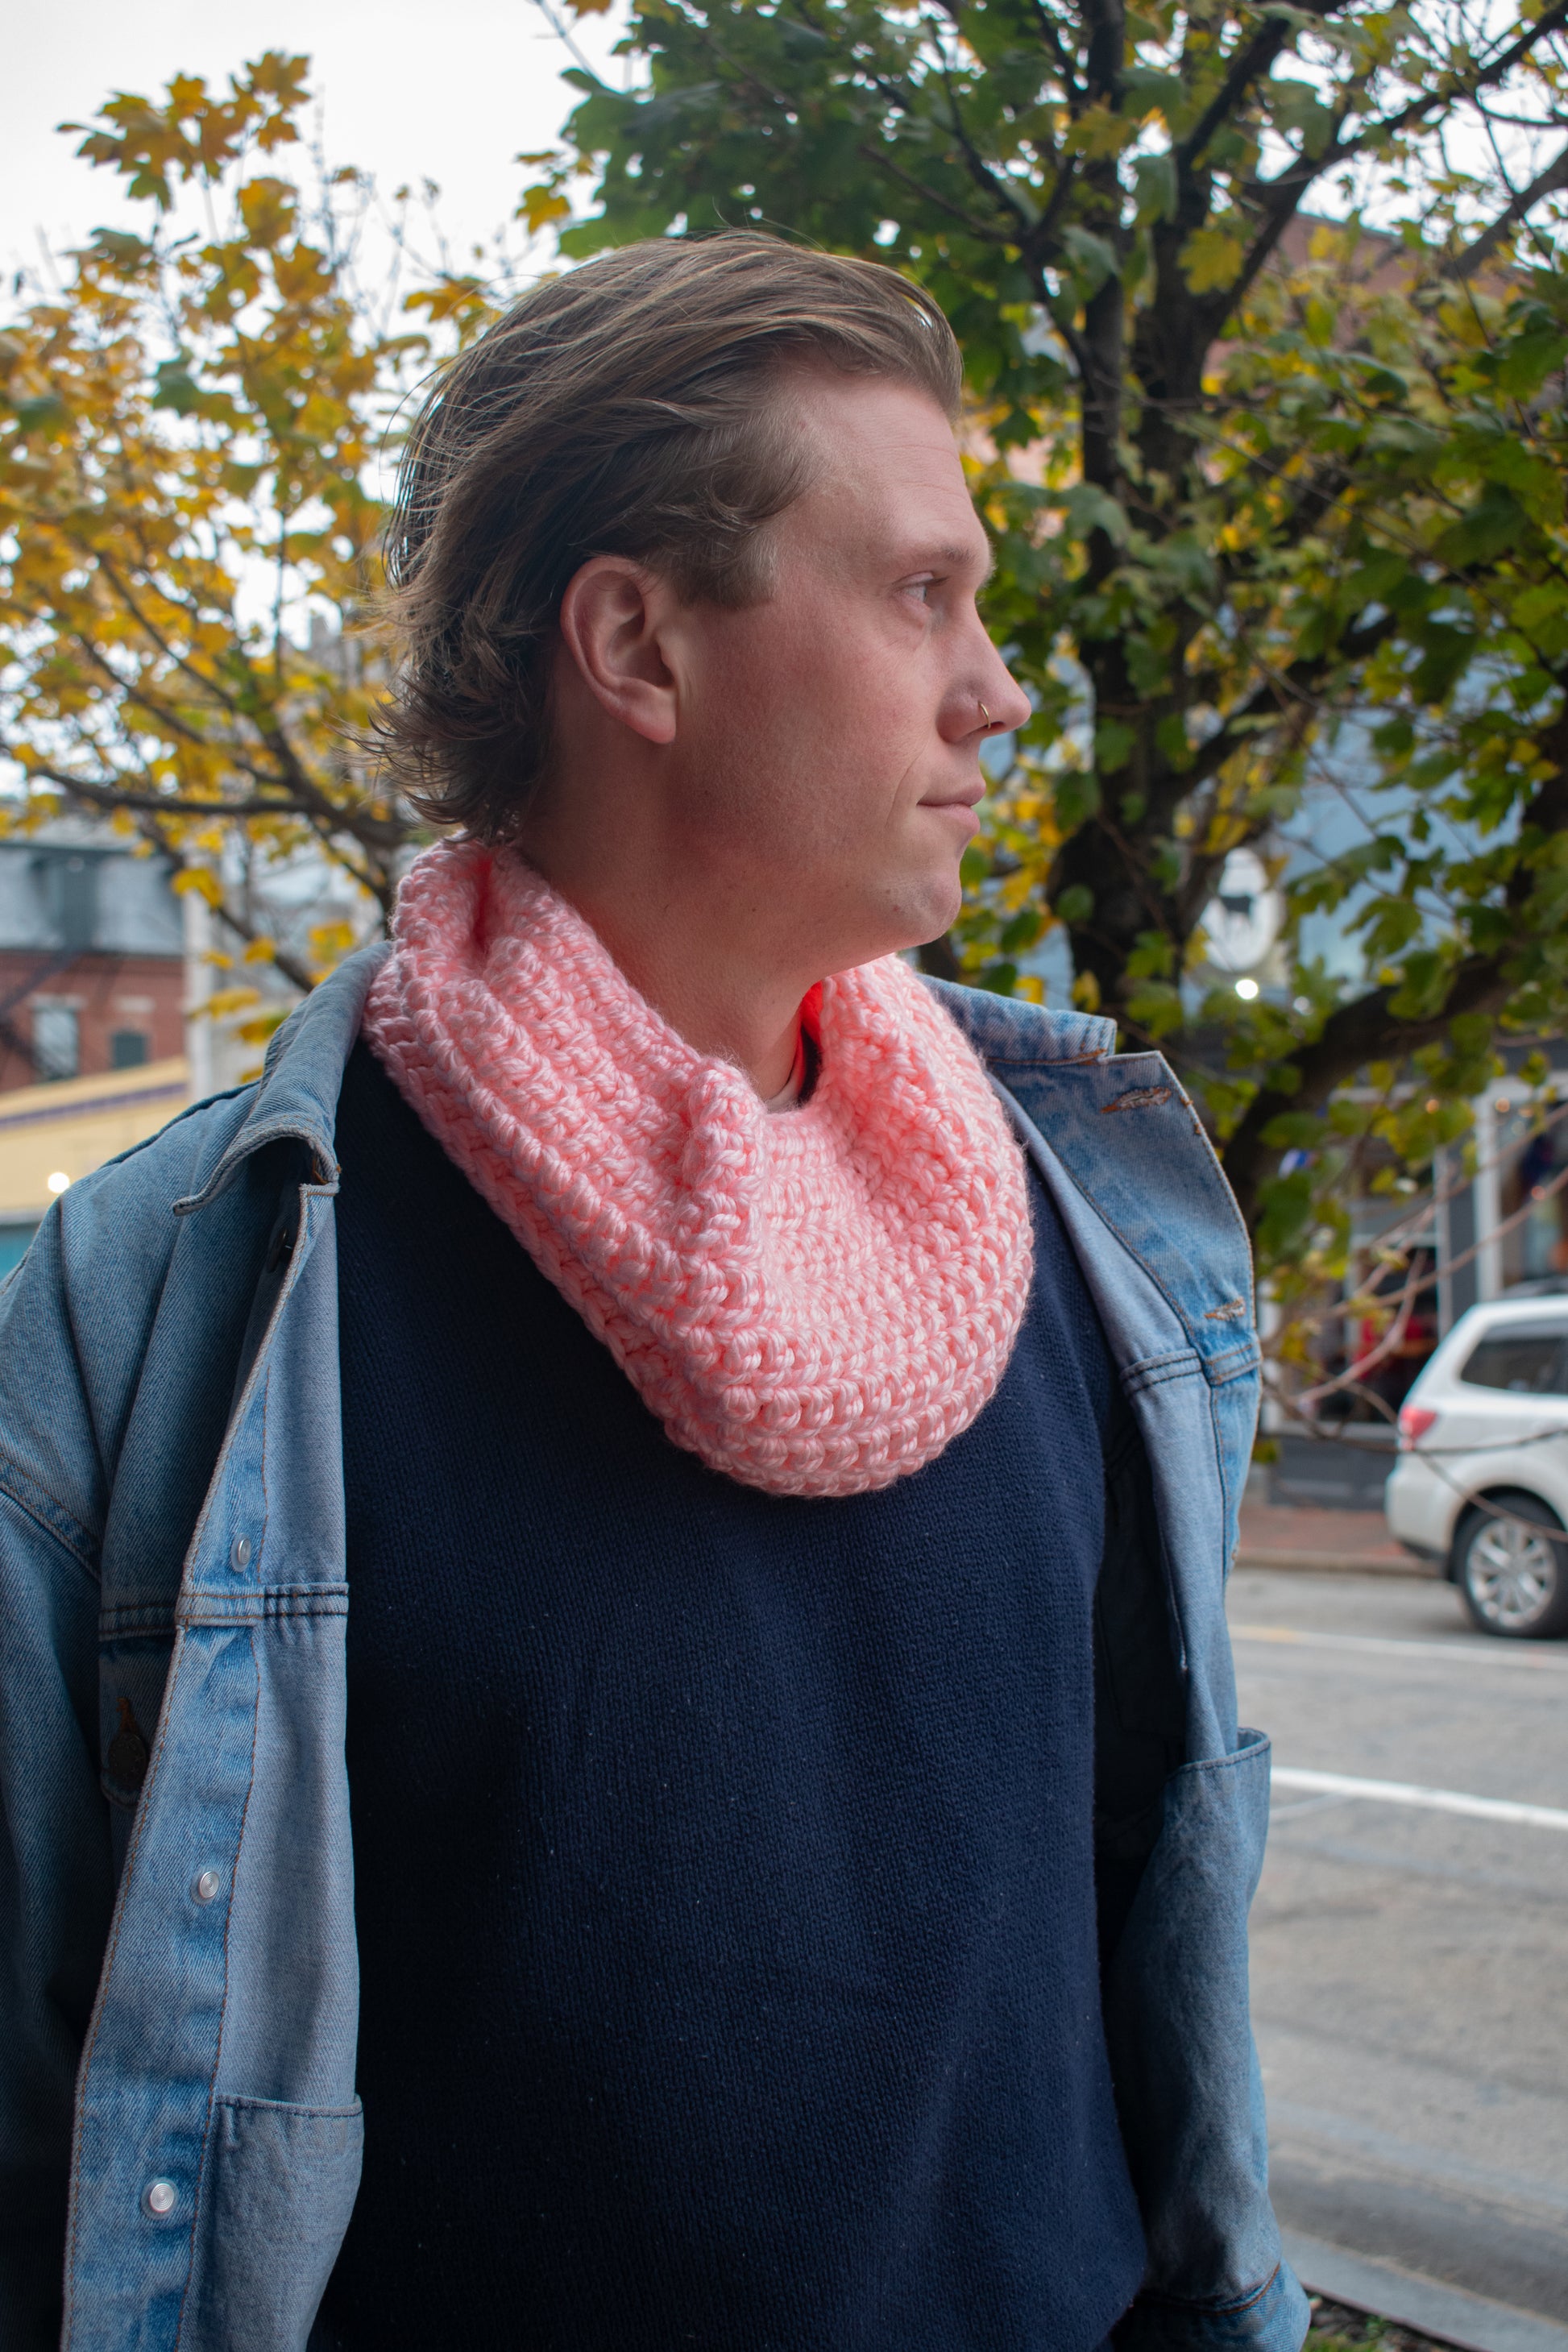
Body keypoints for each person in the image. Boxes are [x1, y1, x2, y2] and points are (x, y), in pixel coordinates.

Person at [0, 234, 1305, 2352]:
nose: (993, 689)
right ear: (637, 644)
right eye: (920, 593)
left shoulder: (1094, 1226)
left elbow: (1131, 1965)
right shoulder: (177, 1302)